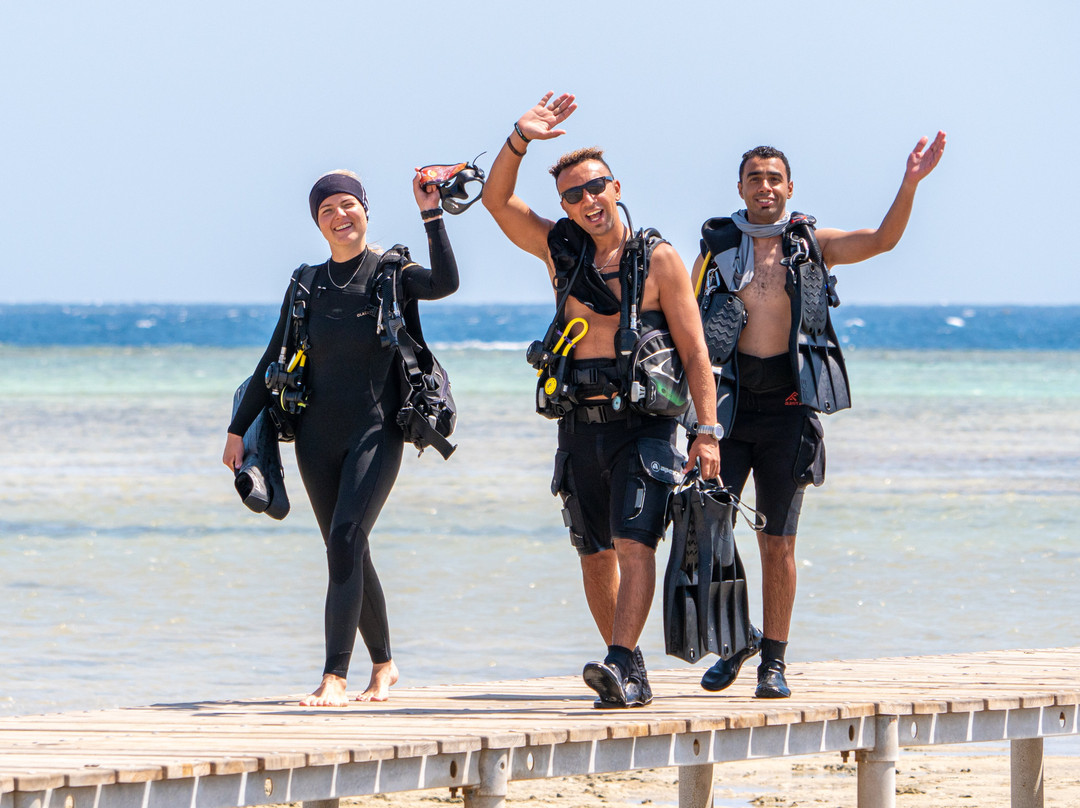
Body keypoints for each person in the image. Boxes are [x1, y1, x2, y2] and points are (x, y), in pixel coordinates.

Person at [482, 92, 721, 708]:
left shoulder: (658, 259)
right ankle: (630, 668)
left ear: (615, 188)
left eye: (595, 189)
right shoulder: (561, 253)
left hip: (643, 426)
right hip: (578, 426)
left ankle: (616, 660)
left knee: (637, 540)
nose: (587, 202)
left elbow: (696, 354)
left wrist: (707, 431)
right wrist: (520, 137)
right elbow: (496, 202)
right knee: (594, 553)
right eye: (572, 195)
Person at [692, 134, 947, 699]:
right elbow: (689, 328)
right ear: (740, 187)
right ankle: (737, 638)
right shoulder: (715, 247)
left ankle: (774, 661)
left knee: (777, 543)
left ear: (789, 187)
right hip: (729, 410)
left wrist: (909, 183)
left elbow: (882, 241)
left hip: (788, 409)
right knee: (705, 530)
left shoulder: (811, 243)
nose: (764, 186)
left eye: (773, 177)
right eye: (754, 177)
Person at [223, 169, 459, 707]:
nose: (340, 216)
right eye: (327, 210)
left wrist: (432, 214)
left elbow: (446, 283)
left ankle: (334, 676)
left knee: (348, 539)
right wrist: (238, 429)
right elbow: (272, 359)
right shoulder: (306, 282)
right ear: (318, 223)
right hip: (314, 436)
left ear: (366, 211)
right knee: (344, 547)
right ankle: (385, 666)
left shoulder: (391, 273)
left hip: (376, 430)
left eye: (348, 205)